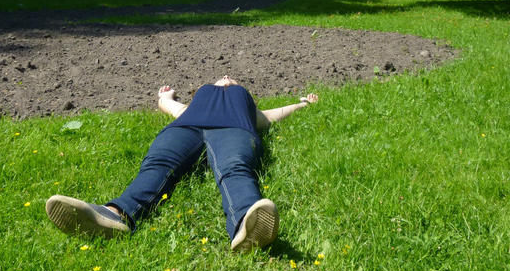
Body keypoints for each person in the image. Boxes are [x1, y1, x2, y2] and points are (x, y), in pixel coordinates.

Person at [46, 76, 318, 252]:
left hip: (233, 130)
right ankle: (115, 214)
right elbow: (174, 109)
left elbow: (270, 116)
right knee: (158, 165)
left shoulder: (246, 106)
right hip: (187, 126)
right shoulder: (197, 102)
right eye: (221, 77)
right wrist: (166, 98)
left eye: (231, 78)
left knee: (235, 167)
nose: (225, 77)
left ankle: (246, 224)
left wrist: (301, 105)